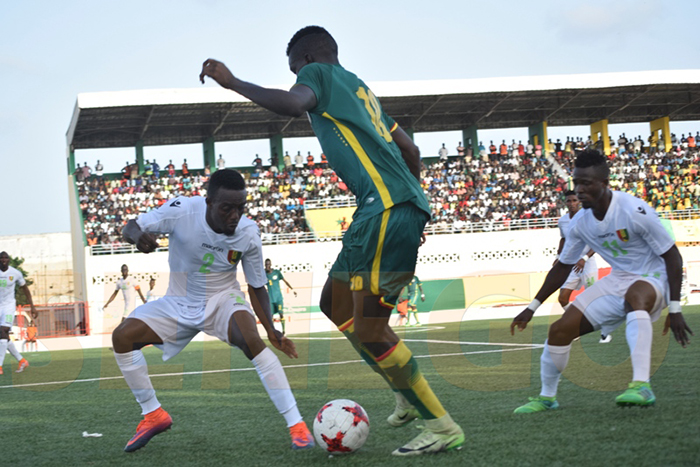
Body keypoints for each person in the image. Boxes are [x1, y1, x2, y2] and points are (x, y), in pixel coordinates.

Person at [200, 25, 464, 456]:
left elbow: (291, 103)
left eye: (294, 70)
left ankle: (443, 425)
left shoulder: (319, 76)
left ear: (306, 60)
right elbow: (411, 151)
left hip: (386, 209)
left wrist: (233, 83)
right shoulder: (362, 90)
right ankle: (403, 394)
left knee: (371, 329)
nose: (295, 79)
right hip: (380, 210)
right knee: (334, 305)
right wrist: (413, 202)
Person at [112, 169, 313, 453]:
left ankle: (297, 427)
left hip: (223, 299)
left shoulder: (248, 233)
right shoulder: (182, 211)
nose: (235, 215)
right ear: (208, 202)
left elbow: (257, 286)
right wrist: (137, 237)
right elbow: (130, 226)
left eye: (241, 208)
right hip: (179, 300)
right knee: (122, 337)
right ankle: (153, 414)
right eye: (227, 208)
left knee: (251, 341)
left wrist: (271, 330)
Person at [511, 150, 693, 414]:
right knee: (559, 330)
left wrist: (675, 309)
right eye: (577, 183)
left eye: (587, 184)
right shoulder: (580, 224)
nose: (579, 190)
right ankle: (547, 397)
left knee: (636, 296)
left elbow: (672, 256)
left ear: (605, 184)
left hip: (655, 275)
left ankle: (641, 385)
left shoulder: (634, 210)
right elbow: (563, 266)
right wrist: (532, 307)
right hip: (618, 279)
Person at [555, 191, 608, 343]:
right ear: (565, 203)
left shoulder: (587, 218)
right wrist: (558, 257)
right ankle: (576, 327)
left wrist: (584, 258)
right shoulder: (563, 221)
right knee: (563, 297)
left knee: (593, 300)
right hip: (571, 265)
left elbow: (597, 242)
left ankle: (605, 331)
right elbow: (563, 240)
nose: (571, 203)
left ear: (579, 202)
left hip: (587, 264)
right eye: (569, 201)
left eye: (574, 200)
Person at [0, 251, 35, 375]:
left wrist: (32, 306)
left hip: (9, 306)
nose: (4, 260)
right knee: (3, 336)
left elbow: (25, 289)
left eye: (6, 258)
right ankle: (22, 361)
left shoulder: (15, 273)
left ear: (9, 260)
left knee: (3, 330)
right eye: (1, 258)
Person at [264, 259, 297, 335]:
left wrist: (292, 289)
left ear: (271, 264)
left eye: (268, 264)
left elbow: (285, 281)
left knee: (281, 314)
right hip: (270, 299)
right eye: (266, 265)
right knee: (270, 316)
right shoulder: (264, 274)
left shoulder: (277, 272)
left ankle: (283, 331)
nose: (267, 266)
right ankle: (272, 331)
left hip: (278, 298)